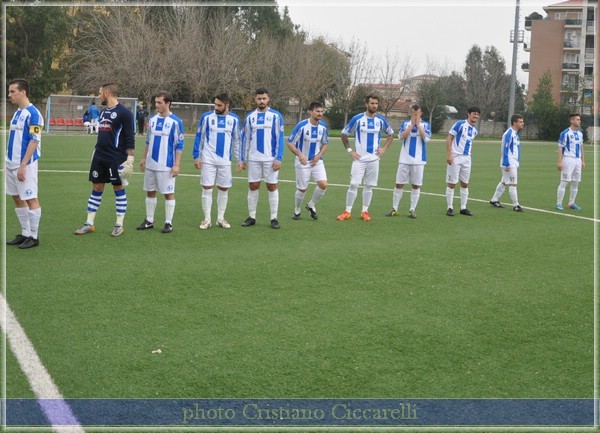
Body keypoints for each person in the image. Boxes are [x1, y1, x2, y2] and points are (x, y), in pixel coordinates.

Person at [74, 83, 135, 237]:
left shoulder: (125, 113)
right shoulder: (102, 112)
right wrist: (96, 151)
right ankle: (89, 223)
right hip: (99, 156)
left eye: (100, 93)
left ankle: (119, 224)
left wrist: (130, 159)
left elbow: (129, 138)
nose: (98, 95)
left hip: (116, 158)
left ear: (107, 93)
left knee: (118, 188)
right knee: (96, 187)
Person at [337, 94, 394, 222]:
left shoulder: (380, 120)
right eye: (372, 103)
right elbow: (344, 134)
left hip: (374, 160)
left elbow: (391, 134)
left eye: (376, 103)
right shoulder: (357, 119)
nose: (374, 105)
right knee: (353, 184)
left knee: (369, 186)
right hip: (359, 159)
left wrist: (384, 148)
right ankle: (347, 211)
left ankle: (364, 211)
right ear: (366, 104)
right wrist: (350, 151)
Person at [137, 91, 184, 233]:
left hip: (166, 165)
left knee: (168, 193)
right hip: (151, 163)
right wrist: (144, 158)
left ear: (168, 103)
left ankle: (168, 222)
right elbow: (147, 141)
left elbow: (179, 145)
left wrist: (176, 164)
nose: (156, 105)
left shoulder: (176, 122)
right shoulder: (151, 120)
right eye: (155, 102)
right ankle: (149, 220)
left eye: (159, 102)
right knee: (150, 191)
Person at [238, 87, 285, 229]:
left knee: (271, 186)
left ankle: (274, 218)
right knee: (253, 186)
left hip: (270, 158)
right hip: (254, 158)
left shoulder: (276, 116)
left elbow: (280, 138)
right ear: (255, 99)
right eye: (259, 98)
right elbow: (245, 139)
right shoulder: (250, 117)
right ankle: (252, 216)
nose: (262, 101)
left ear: (268, 99)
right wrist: (242, 159)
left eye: (264, 98)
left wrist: (278, 158)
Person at [193, 92, 241, 230]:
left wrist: (240, 159)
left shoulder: (235, 120)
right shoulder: (206, 117)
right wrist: (197, 156)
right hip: (208, 159)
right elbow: (199, 137)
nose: (216, 107)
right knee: (207, 188)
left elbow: (237, 140)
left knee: (223, 189)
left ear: (227, 105)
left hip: (225, 161)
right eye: (215, 104)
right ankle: (207, 219)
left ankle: (221, 218)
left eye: (219, 105)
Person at [6, 79, 44, 249]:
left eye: (12, 92)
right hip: (10, 163)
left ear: (23, 92)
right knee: (16, 197)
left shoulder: (34, 114)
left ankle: (34, 237)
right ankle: (25, 233)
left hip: (25, 165)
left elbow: (34, 141)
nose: (9, 95)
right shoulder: (16, 113)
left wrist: (23, 165)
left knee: (30, 198)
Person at [386, 103, 431, 219]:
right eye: (413, 113)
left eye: (417, 114)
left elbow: (426, 139)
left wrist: (418, 126)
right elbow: (401, 137)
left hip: (419, 160)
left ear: (421, 113)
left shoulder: (426, 125)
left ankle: (412, 209)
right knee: (399, 184)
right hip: (404, 159)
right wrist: (411, 126)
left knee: (416, 185)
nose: (415, 115)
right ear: (410, 113)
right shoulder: (405, 124)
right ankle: (395, 208)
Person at [287, 101, 329, 220]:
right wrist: (300, 155)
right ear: (311, 112)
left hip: (317, 161)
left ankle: (311, 205)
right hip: (302, 161)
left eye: (321, 111)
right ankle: (297, 210)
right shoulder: (301, 126)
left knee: (323, 184)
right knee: (302, 189)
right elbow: (290, 143)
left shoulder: (323, 127)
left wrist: (319, 154)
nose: (320, 113)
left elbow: (325, 143)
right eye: (317, 111)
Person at [445, 106, 481, 216]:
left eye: (477, 114)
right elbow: (449, 138)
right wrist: (449, 154)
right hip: (456, 156)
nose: (475, 116)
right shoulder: (460, 124)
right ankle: (450, 207)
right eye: (474, 113)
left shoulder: (475, 130)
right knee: (452, 183)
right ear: (468, 114)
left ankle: (463, 208)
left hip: (467, 158)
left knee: (465, 184)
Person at [489, 114, 525, 212]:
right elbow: (505, 149)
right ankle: (516, 205)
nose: (523, 123)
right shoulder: (509, 133)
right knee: (513, 184)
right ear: (514, 123)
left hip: (513, 162)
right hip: (509, 163)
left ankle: (494, 199)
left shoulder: (515, 133)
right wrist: (506, 163)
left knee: (504, 182)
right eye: (520, 121)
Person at [555, 112, 585, 211]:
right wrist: (559, 162)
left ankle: (571, 203)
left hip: (577, 160)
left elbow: (581, 147)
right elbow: (560, 147)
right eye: (577, 119)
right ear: (571, 120)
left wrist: (582, 161)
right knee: (564, 182)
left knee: (576, 182)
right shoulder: (565, 133)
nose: (579, 121)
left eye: (579, 119)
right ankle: (559, 203)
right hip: (568, 159)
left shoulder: (580, 133)